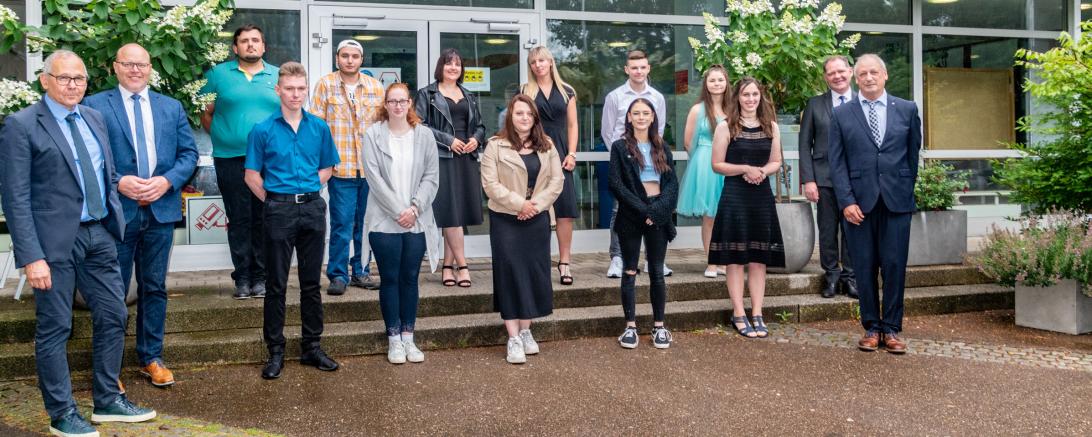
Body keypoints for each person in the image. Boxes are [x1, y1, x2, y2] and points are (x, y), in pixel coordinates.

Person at [0, 49, 156, 437]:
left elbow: (104, 173)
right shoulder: (21, 125)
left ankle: (108, 400)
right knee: (56, 326)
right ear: (45, 80)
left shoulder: (93, 117)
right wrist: (31, 256)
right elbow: (15, 197)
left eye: (80, 78)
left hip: (98, 233)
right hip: (53, 244)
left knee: (114, 314)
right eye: (64, 78)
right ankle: (62, 412)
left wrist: (116, 201)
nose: (73, 85)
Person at [83, 43, 198, 388]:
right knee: (111, 291)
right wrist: (118, 182)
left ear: (150, 68)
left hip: (160, 212)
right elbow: (87, 156)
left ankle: (151, 357)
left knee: (154, 287)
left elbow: (189, 154)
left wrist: (167, 181)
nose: (135, 70)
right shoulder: (94, 105)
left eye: (142, 64)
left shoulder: (171, 107)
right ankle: (109, 369)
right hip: (118, 213)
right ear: (115, 67)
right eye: (128, 64)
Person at [244, 62, 341, 379]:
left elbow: (327, 167)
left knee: (312, 284)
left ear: (306, 90)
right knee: (276, 285)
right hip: (278, 211)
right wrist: (276, 200)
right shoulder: (262, 130)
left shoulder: (319, 128)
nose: (295, 94)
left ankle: (312, 347)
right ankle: (275, 351)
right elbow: (251, 176)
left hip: (312, 208)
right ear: (279, 90)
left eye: (300, 88)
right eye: (289, 88)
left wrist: (307, 189)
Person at [828, 54, 921, 355]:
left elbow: (912, 156)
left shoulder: (907, 109)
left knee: (894, 266)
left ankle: (891, 329)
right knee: (864, 267)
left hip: (896, 202)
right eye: (862, 74)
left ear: (885, 75)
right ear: (856, 79)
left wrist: (904, 189)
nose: (868, 78)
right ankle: (871, 328)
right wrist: (846, 201)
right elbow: (836, 163)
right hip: (858, 205)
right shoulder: (842, 114)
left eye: (873, 72)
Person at [480, 94, 564, 364]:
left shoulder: (547, 145)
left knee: (532, 274)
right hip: (506, 219)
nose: (524, 118)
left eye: (529, 113)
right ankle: (513, 337)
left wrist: (535, 206)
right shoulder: (495, 146)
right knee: (509, 274)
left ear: (535, 117)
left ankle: (526, 331)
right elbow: (490, 185)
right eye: (519, 113)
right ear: (510, 116)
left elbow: (556, 181)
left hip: (536, 219)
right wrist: (520, 204)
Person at [361, 83, 441, 364]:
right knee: (390, 278)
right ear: (385, 104)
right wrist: (399, 211)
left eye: (402, 101)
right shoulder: (373, 135)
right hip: (384, 221)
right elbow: (374, 178)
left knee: (410, 278)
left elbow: (431, 177)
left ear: (410, 104)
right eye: (392, 101)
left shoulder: (424, 136)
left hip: (417, 221)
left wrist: (415, 208)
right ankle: (393, 339)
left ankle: (409, 336)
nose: (398, 106)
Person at [200, 24, 280, 300]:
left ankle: (261, 277)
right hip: (230, 158)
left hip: (269, 160)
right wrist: (224, 136)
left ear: (264, 46)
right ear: (235, 48)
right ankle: (242, 278)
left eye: (255, 40)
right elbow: (206, 113)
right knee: (239, 218)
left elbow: (289, 113)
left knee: (265, 217)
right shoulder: (217, 75)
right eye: (244, 41)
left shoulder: (277, 75)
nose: (250, 44)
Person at [708, 77, 786, 339]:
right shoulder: (725, 126)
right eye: (745, 95)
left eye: (754, 94)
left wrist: (762, 171)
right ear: (737, 98)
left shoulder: (771, 127)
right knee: (734, 258)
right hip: (735, 197)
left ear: (760, 97)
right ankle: (739, 312)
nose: (751, 99)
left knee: (758, 258)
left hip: (761, 196)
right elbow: (717, 164)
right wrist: (745, 169)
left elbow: (776, 161)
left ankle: (758, 313)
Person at [310, 39, 384, 295]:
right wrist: (322, 163)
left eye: (354, 56)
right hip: (341, 169)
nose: (350, 60)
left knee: (365, 224)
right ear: (337, 58)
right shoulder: (325, 85)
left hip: (369, 170)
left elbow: (383, 128)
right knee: (342, 224)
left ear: (361, 60)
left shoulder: (375, 87)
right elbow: (316, 127)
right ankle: (338, 275)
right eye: (345, 55)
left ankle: (361, 271)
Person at [609, 98, 679, 350]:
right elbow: (616, 184)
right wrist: (643, 211)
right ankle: (630, 327)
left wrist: (657, 211)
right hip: (631, 215)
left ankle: (659, 327)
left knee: (657, 271)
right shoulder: (619, 147)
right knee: (629, 270)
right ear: (629, 117)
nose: (640, 117)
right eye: (636, 113)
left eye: (645, 113)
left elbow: (672, 184)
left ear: (652, 117)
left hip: (657, 213)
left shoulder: (662, 146)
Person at [415, 48, 486, 289]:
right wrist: (449, 141)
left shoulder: (469, 95)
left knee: (456, 214)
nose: (453, 68)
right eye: (449, 64)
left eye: (457, 64)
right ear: (441, 67)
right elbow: (419, 125)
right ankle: (463, 266)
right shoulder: (427, 94)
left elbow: (480, 126)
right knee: (451, 212)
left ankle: (447, 266)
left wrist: (476, 139)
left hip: (466, 157)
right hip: (442, 157)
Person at [601, 50, 672, 278]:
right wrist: (623, 156)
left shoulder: (657, 97)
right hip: (626, 161)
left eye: (642, 67)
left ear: (648, 68)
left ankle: (654, 260)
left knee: (656, 206)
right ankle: (617, 258)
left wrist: (649, 154)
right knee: (619, 209)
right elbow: (608, 132)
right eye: (634, 68)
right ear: (626, 70)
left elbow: (658, 129)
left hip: (651, 162)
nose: (638, 71)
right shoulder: (615, 97)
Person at [799, 55, 859, 299]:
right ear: (825, 77)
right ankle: (832, 276)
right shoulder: (814, 104)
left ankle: (851, 278)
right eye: (831, 73)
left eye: (841, 71)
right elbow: (805, 145)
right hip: (823, 179)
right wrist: (808, 180)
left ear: (850, 72)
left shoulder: (863, 102)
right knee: (827, 230)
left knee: (853, 230)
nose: (837, 76)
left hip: (856, 180)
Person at [523, 45, 580, 285]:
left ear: (550, 62)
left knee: (565, 210)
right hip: (533, 151)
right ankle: (536, 263)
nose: (538, 65)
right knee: (535, 209)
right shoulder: (525, 90)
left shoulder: (567, 91)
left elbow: (572, 125)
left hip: (561, 153)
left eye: (542, 61)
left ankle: (564, 262)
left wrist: (572, 154)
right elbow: (520, 122)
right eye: (533, 62)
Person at [678, 65, 730, 279]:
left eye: (720, 80)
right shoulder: (697, 110)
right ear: (706, 84)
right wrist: (700, 163)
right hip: (706, 166)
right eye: (712, 80)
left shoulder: (734, 108)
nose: (716, 84)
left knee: (727, 216)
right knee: (709, 217)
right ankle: (712, 262)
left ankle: (725, 261)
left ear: (726, 82)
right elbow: (688, 142)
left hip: (730, 165)